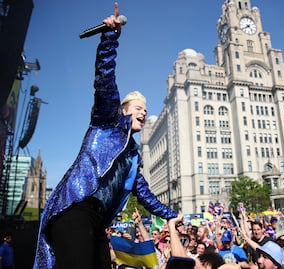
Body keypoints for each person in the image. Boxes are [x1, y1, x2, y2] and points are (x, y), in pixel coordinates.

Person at [33, 3, 177, 269]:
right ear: (123, 110)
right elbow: (105, 81)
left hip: (98, 222)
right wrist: (110, 39)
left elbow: (144, 195)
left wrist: (174, 215)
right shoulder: (107, 123)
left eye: (146, 110)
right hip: (74, 209)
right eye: (138, 108)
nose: (144, 114)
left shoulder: (133, 156)